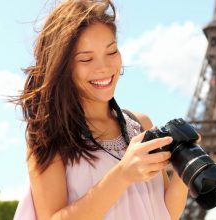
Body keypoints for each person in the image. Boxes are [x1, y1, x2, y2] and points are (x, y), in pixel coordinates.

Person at [14, 1, 192, 219]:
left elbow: (163, 213)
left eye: (112, 51)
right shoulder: (48, 135)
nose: (105, 67)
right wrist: (122, 175)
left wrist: (186, 169)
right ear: (63, 66)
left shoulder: (141, 125)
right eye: (87, 59)